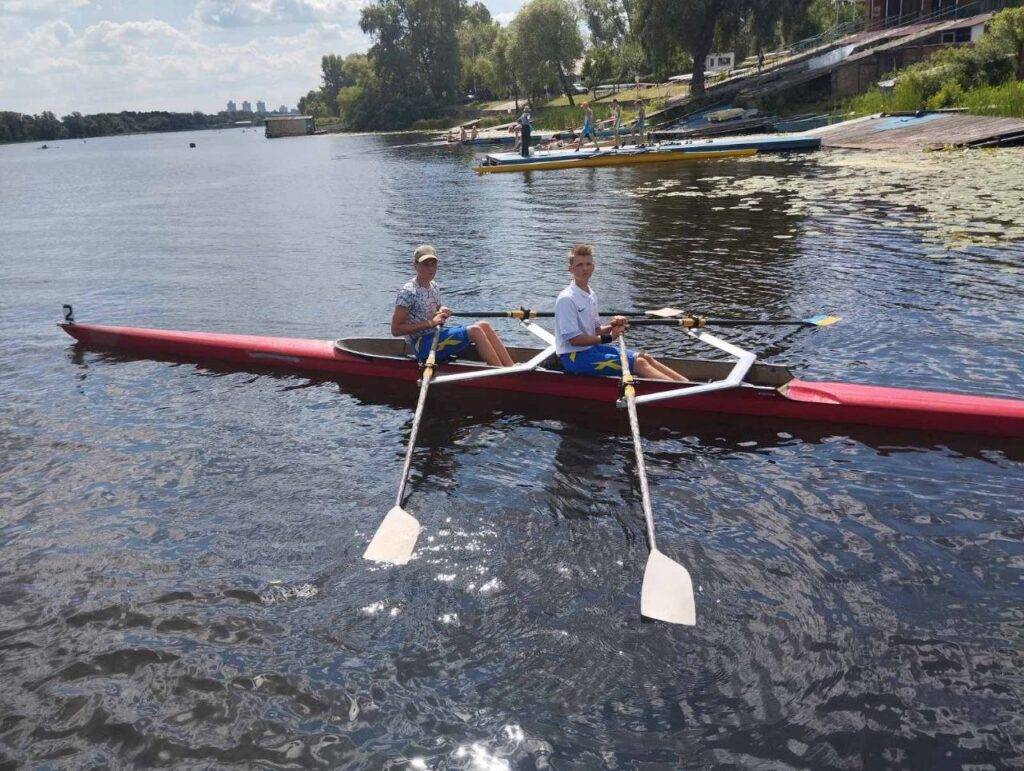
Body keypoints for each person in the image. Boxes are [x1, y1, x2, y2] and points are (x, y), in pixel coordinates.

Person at [554, 245, 687, 382]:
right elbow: (574, 340)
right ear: (570, 269)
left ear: (593, 266)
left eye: (588, 264)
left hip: (591, 349)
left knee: (644, 356)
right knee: (639, 364)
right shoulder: (567, 299)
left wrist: (613, 326)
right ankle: (684, 397)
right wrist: (610, 337)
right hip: (574, 358)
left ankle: (688, 385)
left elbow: (596, 330)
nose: (585, 268)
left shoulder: (591, 294)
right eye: (579, 265)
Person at [392, 245, 514, 368]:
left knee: (484, 325)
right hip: (420, 345)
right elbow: (396, 330)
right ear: (415, 265)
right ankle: (502, 375)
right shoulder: (408, 292)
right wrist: (431, 323)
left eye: (433, 264)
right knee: (475, 331)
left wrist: (442, 310)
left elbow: (436, 312)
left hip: (435, 336)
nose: (430, 268)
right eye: (425, 264)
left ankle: (511, 368)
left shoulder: (433, 286)